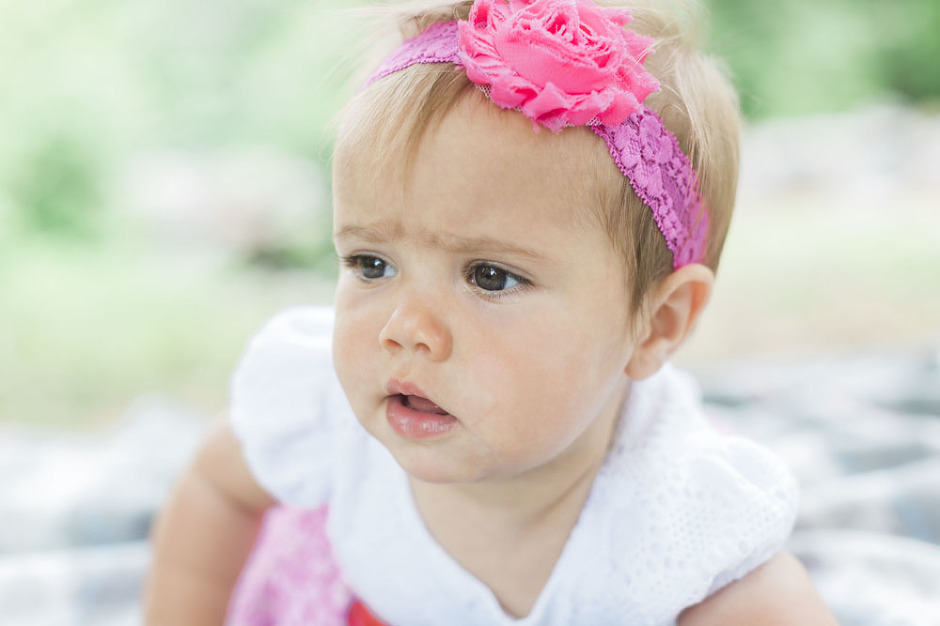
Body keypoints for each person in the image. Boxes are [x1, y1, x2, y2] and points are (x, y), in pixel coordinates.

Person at [146, 1, 838, 624]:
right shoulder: (327, 419)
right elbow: (217, 484)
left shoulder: (677, 526)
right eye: (371, 264)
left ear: (655, 324)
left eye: (490, 276)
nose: (405, 329)